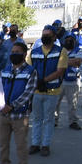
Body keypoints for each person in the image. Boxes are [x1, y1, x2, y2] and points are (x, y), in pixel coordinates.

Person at [0, 41, 36, 164]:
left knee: (21, 144)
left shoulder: (31, 71)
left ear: (24, 54)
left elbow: (28, 93)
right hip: (4, 114)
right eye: (12, 52)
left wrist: (11, 106)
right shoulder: (5, 70)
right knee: (3, 142)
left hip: (20, 115)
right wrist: (1, 105)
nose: (14, 54)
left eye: (17, 52)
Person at [28, 26, 68, 156]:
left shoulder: (61, 51)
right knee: (36, 118)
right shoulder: (34, 52)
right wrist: (36, 82)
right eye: (43, 34)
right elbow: (28, 69)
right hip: (37, 91)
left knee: (48, 119)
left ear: (54, 37)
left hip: (52, 91)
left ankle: (45, 145)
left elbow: (60, 71)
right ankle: (35, 144)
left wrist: (43, 80)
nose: (45, 37)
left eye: (48, 35)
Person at [57, 34, 82, 131]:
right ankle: (54, 120)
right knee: (55, 102)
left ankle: (73, 122)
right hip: (60, 81)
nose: (69, 41)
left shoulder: (78, 50)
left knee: (72, 104)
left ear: (75, 41)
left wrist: (62, 61)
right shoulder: (60, 51)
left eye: (71, 39)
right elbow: (55, 62)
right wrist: (71, 61)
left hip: (73, 81)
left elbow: (78, 62)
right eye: (67, 39)